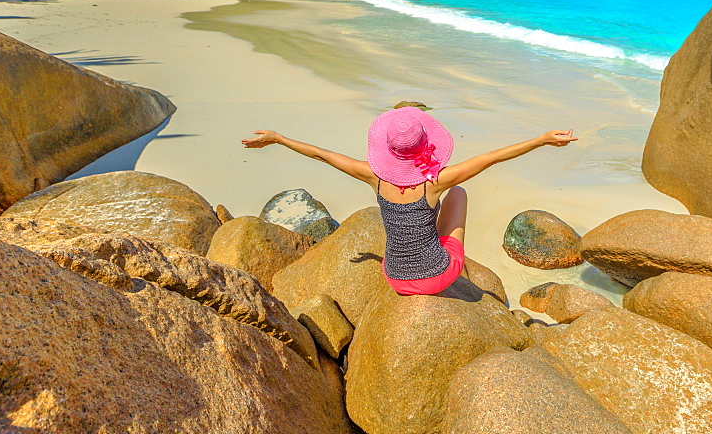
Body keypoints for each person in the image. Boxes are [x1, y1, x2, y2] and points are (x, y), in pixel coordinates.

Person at [242, 107, 576, 296]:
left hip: (395, 278)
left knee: (413, 226)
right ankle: (447, 262)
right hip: (437, 276)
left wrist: (278, 138)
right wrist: (542, 140)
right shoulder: (436, 181)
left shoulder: (372, 175)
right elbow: (491, 158)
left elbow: (322, 155)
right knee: (458, 193)